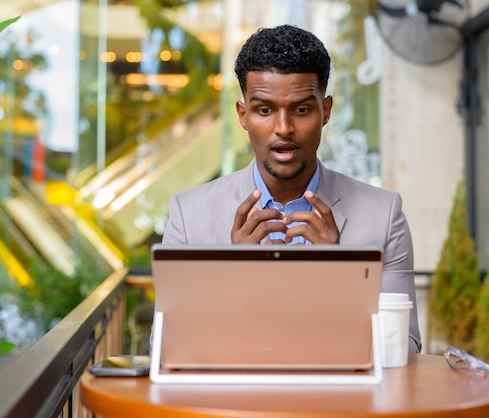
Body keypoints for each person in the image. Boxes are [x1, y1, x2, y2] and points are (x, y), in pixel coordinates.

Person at [162, 24, 421, 353]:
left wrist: (339, 281)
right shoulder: (189, 215)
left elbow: (406, 349)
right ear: (243, 115)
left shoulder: (384, 215)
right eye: (265, 110)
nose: (283, 129)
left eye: (301, 110)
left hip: (337, 405)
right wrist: (230, 278)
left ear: (325, 111)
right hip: (236, 405)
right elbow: (168, 347)